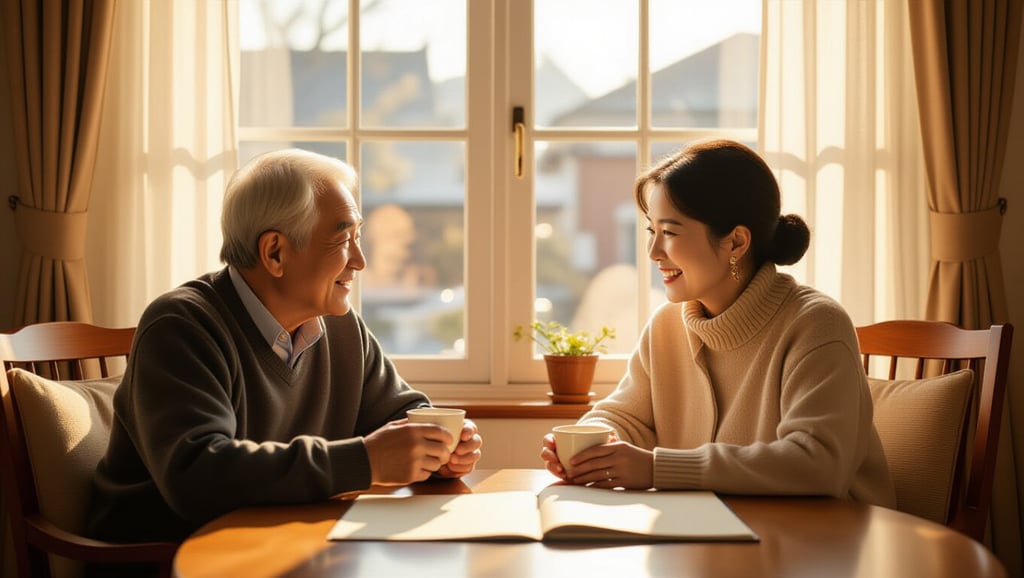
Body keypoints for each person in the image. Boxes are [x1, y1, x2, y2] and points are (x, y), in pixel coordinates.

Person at [88, 149, 483, 550]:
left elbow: (399, 415)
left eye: (358, 238)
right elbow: (199, 476)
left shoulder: (341, 326)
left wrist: (440, 447)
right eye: (343, 239)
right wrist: (365, 461)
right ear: (275, 252)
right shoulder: (181, 326)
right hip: (170, 559)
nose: (360, 261)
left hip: (285, 547)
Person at [540, 139, 895, 507]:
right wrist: (585, 445)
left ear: (737, 242)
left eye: (671, 233)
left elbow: (815, 464)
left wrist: (657, 469)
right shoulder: (666, 325)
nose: (653, 252)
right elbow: (626, 416)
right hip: (717, 535)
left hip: (830, 543)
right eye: (651, 231)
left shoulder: (816, 325)